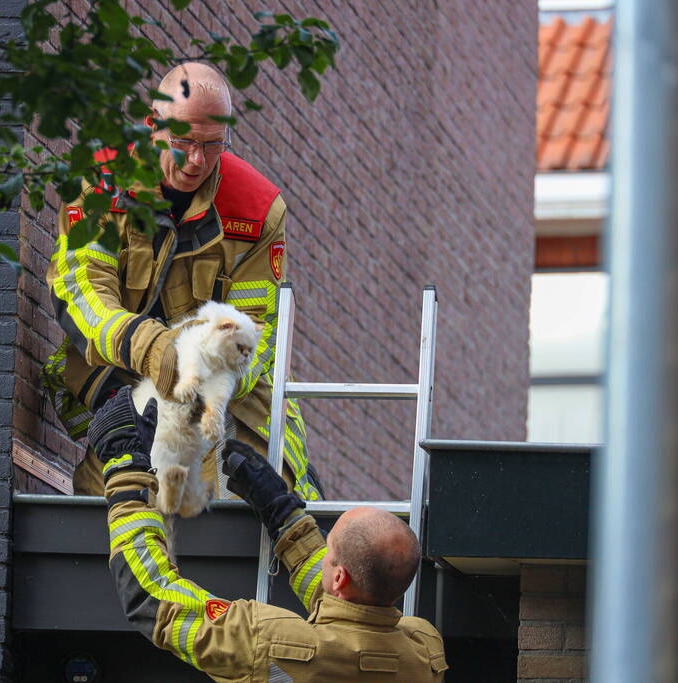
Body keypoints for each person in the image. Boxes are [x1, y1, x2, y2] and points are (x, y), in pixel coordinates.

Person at [44, 61, 323, 500]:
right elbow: (81, 291)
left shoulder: (256, 210)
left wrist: (201, 370)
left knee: (264, 497)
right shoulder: (102, 183)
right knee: (111, 506)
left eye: (214, 146)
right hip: (124, 388)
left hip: (225, 403)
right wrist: (153, 348)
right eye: (184, 141)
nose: (197, 160)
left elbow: (257, 331)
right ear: (153, 125)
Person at [87, 386, 448, 682]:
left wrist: (125, 469)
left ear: (338, 575)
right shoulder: (424, 652)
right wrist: (282, 513)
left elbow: (153, 598)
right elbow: (347, 609)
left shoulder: (265, 641)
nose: (323, 556)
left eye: (329, 551)